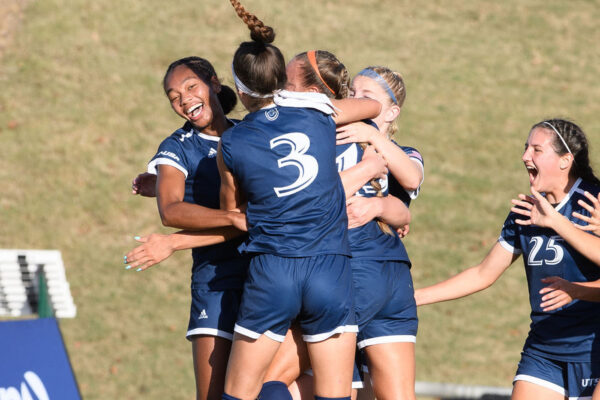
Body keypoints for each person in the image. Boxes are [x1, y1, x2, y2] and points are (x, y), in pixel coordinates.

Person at [219, 1, 382, 399]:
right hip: (329, 266)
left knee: (239, 393)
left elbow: (230, 213)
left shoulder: (232, 141)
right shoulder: (317, 110)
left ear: (239, 88)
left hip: (272, 268)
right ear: (280, 79)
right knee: (334, 394)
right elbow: (374, 106)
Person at [262, 54, 423, 400]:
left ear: (391, 112)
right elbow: (401, 212)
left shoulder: (389, 149)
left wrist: (373, 144)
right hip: (385, 275)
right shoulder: (332, 134)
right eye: (354, 93)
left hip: (350, 270)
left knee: (267, 380)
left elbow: (407, 193)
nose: (358, 101)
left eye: (369, 97)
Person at [415, 119, 600, 400]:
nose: (525, 156)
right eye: (526, 148)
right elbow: (482, 274)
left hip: (591, 346)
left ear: (565, 161)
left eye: (537, 149)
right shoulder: (525, 212)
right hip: (544, 348)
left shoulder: (593, 203)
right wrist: (415, 297)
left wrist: (574, 287)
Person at [125, 56, 249, 400]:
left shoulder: (250, 134)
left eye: (191, 86)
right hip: (216, 282)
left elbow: (255, 219)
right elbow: (170, 210)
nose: (184, 99)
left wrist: (173, 244)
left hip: (266, 275)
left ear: (214, 83)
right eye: (173, 96)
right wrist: (232, 217)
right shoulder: (176, 147)